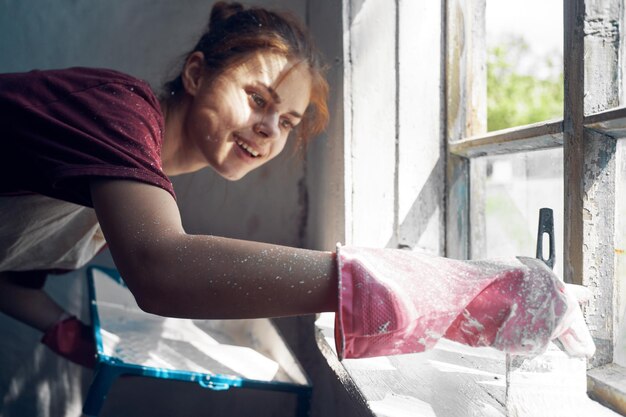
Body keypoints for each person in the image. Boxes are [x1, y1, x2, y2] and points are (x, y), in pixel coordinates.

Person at [0, 1, 594, 369]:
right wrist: (412, 284)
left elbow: (8, 274)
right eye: (256, 99)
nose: (266, 129)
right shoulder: (118, 109)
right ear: (197, 73)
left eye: (285, 121)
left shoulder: (116, 193)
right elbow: (161, 269)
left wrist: (61, 327)